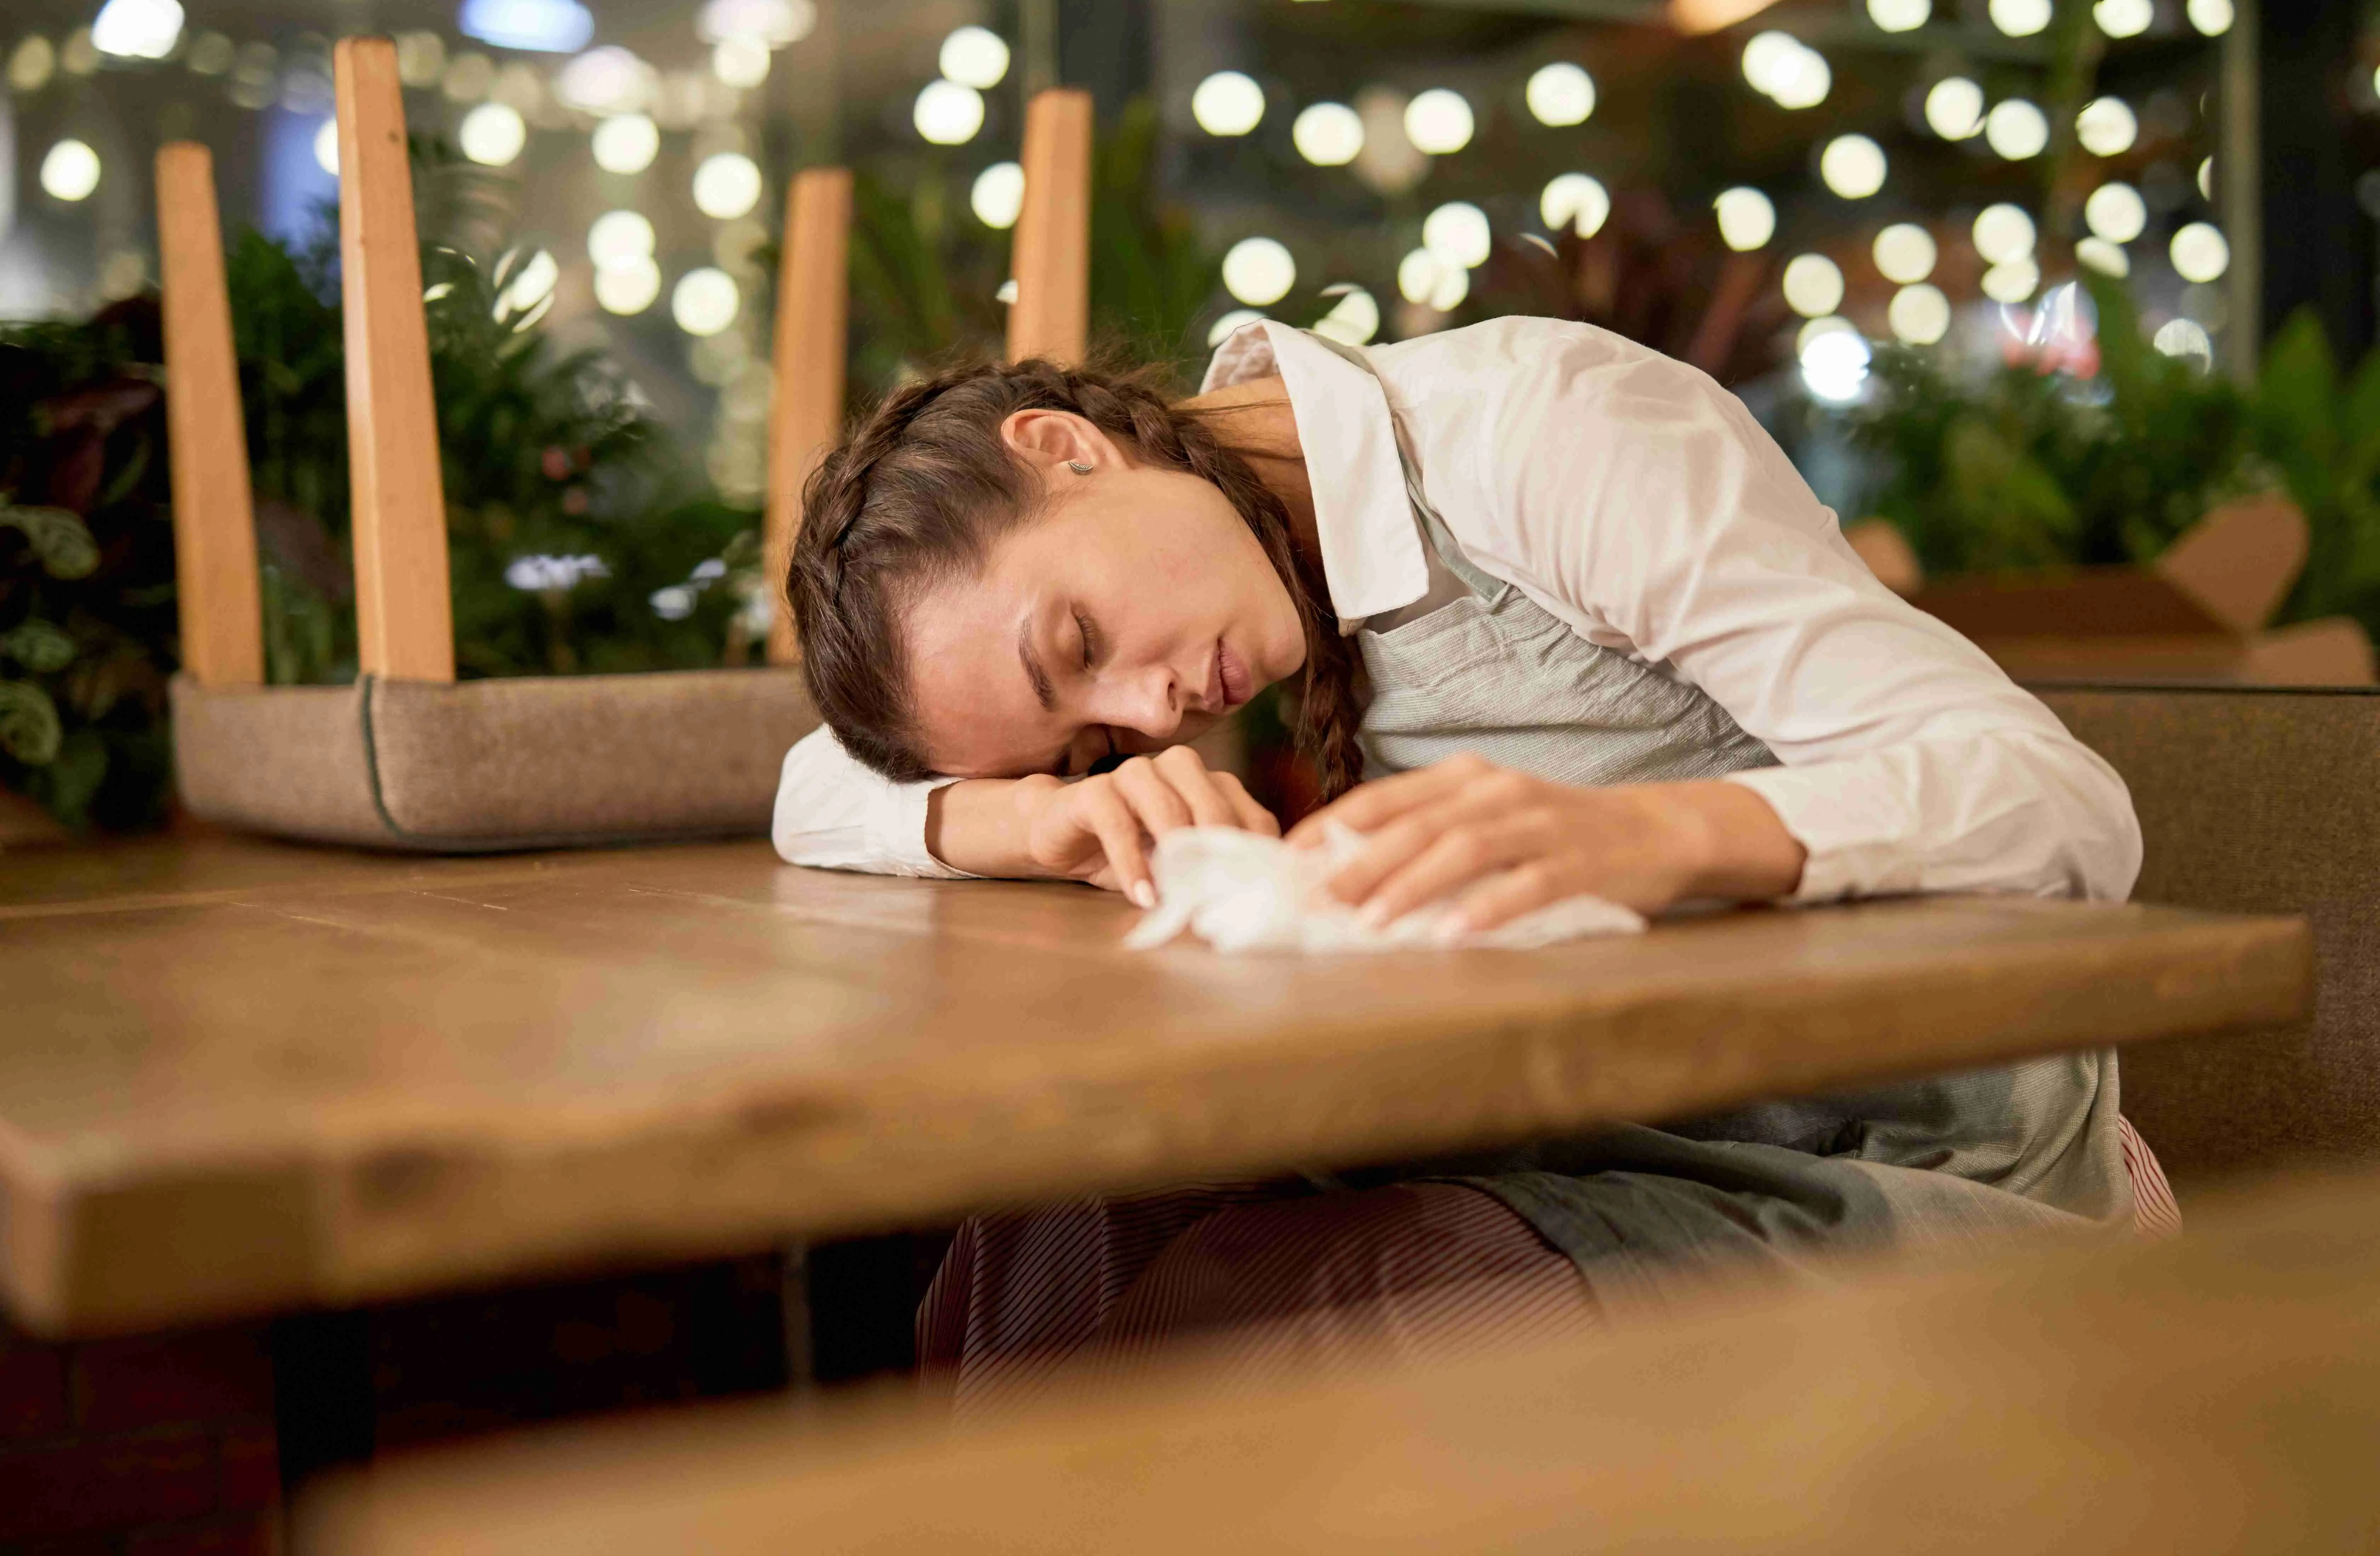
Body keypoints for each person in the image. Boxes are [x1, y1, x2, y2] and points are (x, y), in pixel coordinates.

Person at [775, 317, 2175, 1417]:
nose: (1149, 717)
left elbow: (2062, 805)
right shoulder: (1222, 541)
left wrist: (1656, 836)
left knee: (1249, 1328)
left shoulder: (1546, 434)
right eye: (1084, 735)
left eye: (1079, 649)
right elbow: (811, 786)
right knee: (1065, 1205)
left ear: (1064, 446)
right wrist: (1039, 815)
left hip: (1902, 1156)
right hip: (1561, 1123)